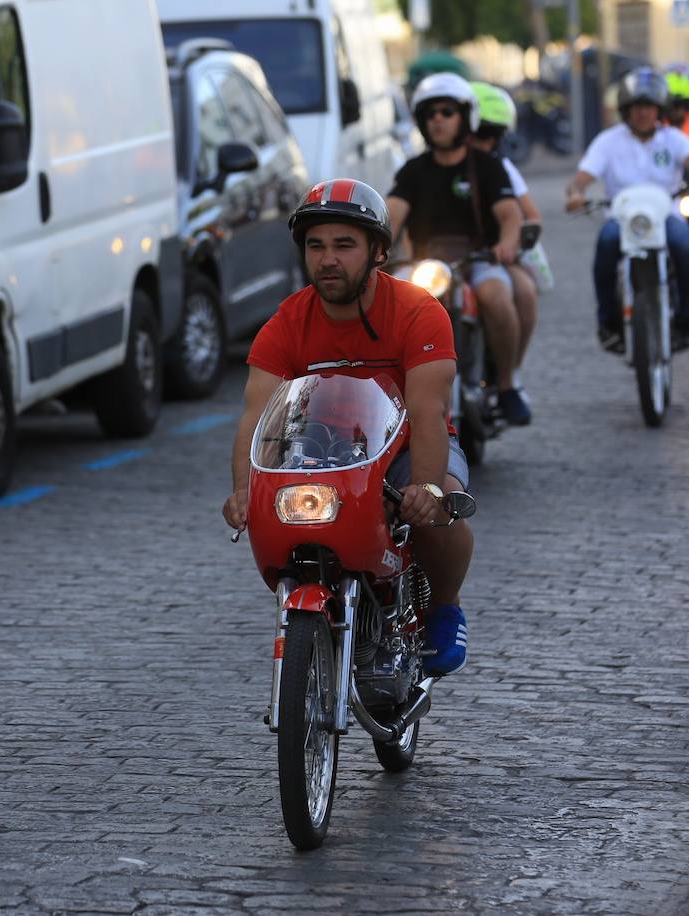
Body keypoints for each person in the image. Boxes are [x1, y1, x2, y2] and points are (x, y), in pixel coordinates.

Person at [221, 178, 473, 676]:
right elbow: (256, 414)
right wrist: (242, 490)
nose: (327, 259)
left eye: (343, 245)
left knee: (442, 502)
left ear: (378, 251)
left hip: (404, 447)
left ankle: (446, 605)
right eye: (316, 246)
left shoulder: (419, 311)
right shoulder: (286, 322)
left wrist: (424, 482)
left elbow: (428, 410)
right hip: (317, 450)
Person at [386, 73, 530, 426]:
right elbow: (389, 217)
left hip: (478, 260)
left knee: (497, 295)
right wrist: (373, 246)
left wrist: (507, 245)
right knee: (389, 313)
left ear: (465, 117)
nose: (438, 119)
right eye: (430, 113)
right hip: (425, 265)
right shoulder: (412, 170)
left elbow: (511, 216)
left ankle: (508, 386)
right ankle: (389, 396)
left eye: (447, 111)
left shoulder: (488, 167)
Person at [564, 67, 689, 354]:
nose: (643, 113)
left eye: (649, 106)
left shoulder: (673, 138)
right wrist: (576, 193)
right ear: (626, 109)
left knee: (687, 247)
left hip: (667, 214)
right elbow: (582, 177)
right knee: (605, 244)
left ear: (659, 109)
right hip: (621, 216)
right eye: (637, 107)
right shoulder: (608, 140)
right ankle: (609, 322)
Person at [468, 80, 543, 403]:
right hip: (442, 259)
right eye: (477, 134)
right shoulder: (426, 165)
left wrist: (509, 245)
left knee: (524, 292)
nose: (483, 144)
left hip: (491, 257)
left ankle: (507, 378)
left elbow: (530, 216)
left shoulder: (501, 168)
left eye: (490, 136)